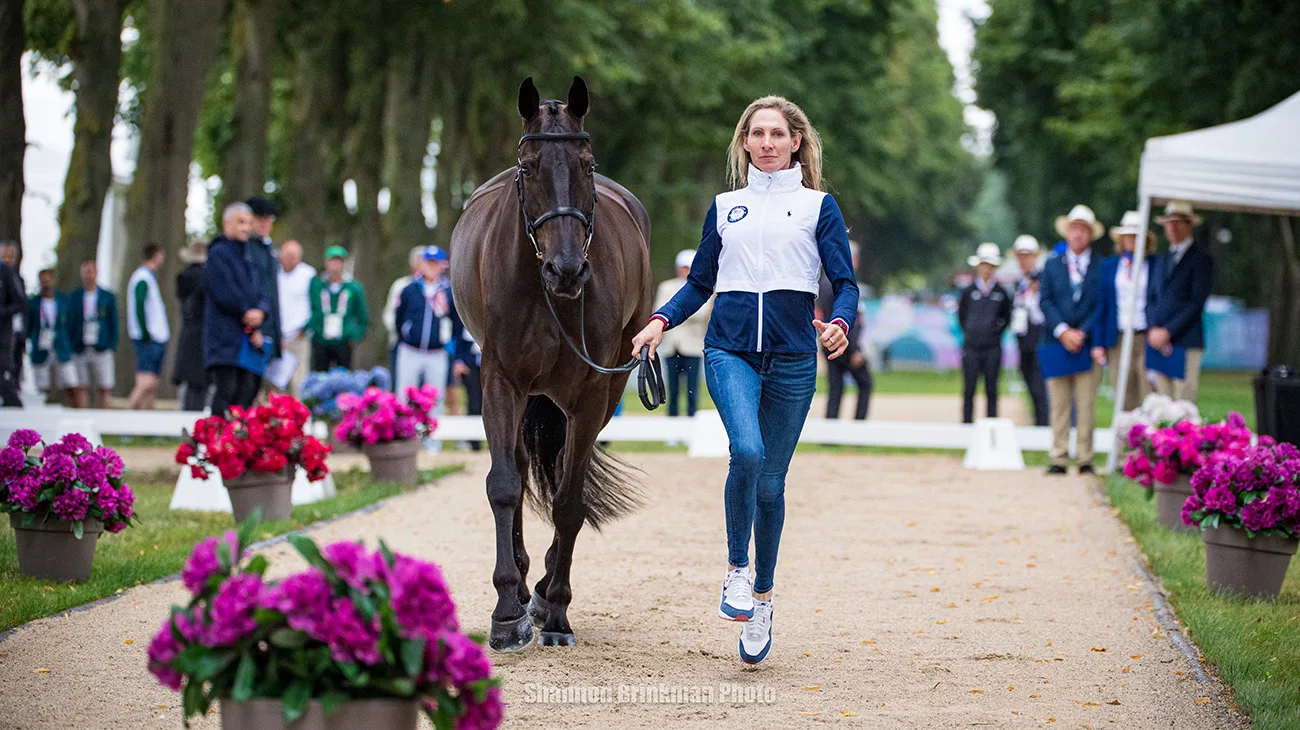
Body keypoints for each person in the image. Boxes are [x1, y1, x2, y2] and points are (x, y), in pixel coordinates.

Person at [631, 96, 858, 665]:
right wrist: (660, 321)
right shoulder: (725, 206)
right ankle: (736, 570)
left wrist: (839, 322)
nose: (766, 142)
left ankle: (762, 599)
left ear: (795, 142)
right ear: (745, 143)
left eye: (776, 133)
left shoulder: (818, 207)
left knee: (772, 487)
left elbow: (845, 283)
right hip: (729, 349)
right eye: (756, 133)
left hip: (793, 358)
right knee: (748, 452)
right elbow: (700, 281)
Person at [1039, 204, 1104, 475]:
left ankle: (1085, 457)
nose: (1078, 234)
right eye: (1074, 229)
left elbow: (1101, 303)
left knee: (1087, 402)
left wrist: (1083, 332)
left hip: (1087, 343)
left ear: (1089, 234)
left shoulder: (1101, 266)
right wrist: (1063, 330)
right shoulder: (1053, 264)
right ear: (1067, 232)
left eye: (1083, 230)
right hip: (1057, 341)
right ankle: (1059, 455)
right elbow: (1045, 300)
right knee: (1059, 402)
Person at [205, 202, 270, 416]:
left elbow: (260, 291)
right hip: (225, 336)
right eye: (240, 222)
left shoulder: (249, 255)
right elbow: (225, 292)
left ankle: (237, 442)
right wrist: (247, 313)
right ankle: (216, 440)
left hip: (247, 338)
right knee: (226, 389)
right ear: (227, 223)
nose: (246, 228)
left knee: (246, 391)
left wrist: (260, 312)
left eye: (249, 223)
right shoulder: (218, 252)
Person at [1092, 210, 1159, 411]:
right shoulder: (1110, 266)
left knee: (1151, 395)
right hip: (1118, 337)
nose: (1131, 239)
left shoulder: (1154, 265)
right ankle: (1125, 442)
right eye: (1128, 235)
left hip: (1145, 336)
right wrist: (1098, 343)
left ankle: (1153, 441)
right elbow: (1101, 305)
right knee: (1123, 396)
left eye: (1136, 235)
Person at [1147, 201, 1212, 403]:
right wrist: (1154, 328)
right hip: (1158, 341)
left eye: (1178, 223)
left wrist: (1168, 331)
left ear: (1189, 225)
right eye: (1169, 223)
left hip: (1186, 341)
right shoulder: (1160, 260)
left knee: (1182, 402)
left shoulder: (1201, 259)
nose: (1172, 227)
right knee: (1161, 403)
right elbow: (1151, 298)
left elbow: (1195, 302)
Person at [394, 246, 461, 415]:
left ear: (442, 265)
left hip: (437, 352)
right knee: (405, 395)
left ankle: (433, 441)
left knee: (435, 399)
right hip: (411, 350)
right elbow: (399, 317)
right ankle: (405, 437)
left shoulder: (449, 291)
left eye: (435, 263)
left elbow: (456, 321)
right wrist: (406, 335)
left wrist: (451, 346)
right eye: (428, 263)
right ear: (421, 265)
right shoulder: (409, 289)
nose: (431, 267)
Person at [653, 249, 713, 418]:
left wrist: (674, 313)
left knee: (692, 389)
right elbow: (659, 310)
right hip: (671, 345)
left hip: (692, 346)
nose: (685, 271)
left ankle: (691, 424)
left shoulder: (704, 288)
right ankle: (672, 425)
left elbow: (703, 313)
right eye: (682, 267)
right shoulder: (666, 286)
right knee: (671, 389)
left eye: (688, 267)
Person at [957, 243, 1012, 423]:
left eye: (990, 265)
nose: (986, 269)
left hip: (992, 347)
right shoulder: (968, 292)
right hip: (971, 346)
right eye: (983, 265)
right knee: (969, 389)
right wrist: (972, 332)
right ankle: (966, 425)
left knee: (992, 389)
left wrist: (994, 333)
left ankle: (991, 428)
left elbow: (1007, 317)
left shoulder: (1001, 293)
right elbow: (962, 316)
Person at [819, 240, 871, 420]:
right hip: (845, 345)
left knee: (835, 389)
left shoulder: (825, 282)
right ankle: (858, 426)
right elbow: (850, 321)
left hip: (829, 344)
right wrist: (855, 350)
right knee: (865, 384)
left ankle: (831, 432)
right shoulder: (845, 286)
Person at [63, 259, 119, 409]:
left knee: (104, 385)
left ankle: (103, 418)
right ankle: (82, 417)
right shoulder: (75, 297)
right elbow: (69, 322)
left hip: (101, 345)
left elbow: (113, 322)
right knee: (81, 385)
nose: (88, 275)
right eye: (85, 272)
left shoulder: (107, 296)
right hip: (80, 346)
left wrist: (112, 344)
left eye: (91, 271)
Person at [307, 246, 369, 371]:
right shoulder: (317, 285)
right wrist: (312, 328)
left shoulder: (353, 288)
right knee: (320, 378)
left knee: (343, 378)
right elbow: (311, 308)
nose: (335, 265)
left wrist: (355, 334)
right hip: (321, 341)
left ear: (343, 263)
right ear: (326, 262)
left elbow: (363, 316)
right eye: (332, 261)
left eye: (338, 261)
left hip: (343, 341)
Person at [1010, 235, 1049, 426]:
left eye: (1027, 256)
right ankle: (1037, 421)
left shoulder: (1043, 279)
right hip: (1023, 338)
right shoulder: (1020, 282)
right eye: (1020, 256)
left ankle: (1043, 423)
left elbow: (1042, 312)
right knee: (1028, 380)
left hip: (1038, 336)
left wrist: (1036, 293)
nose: (1023, 260)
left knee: (1039, 384)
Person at [126, 243, 170, 410]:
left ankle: (148, 425)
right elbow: (139, 305)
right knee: (145, 382)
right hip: (148, 337)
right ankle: (125, 420)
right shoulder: (142, 278)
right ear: (156, 256)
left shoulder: (149, 277)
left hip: (155, 336)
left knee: (152, 384)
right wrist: (145, 332)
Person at [245, 196, 283, 385]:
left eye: (268, 219)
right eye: (259, 218)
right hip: (254, 329)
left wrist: (277, 333)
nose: (264, 224)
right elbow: (251, 291)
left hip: (269, 327)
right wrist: (254, 328)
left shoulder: (268, 250)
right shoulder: (248, 249)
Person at [173, 240, 210, 411]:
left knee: (190, 388)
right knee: (199, 388)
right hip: (202, 337)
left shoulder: (184, 277)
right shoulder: (204, 279)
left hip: (188, 335)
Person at [276, 239, 316, 395]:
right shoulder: (275, 272)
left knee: (299, 382)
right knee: (277, 384)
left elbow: (316, 305)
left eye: (294, 256)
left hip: (298, 336)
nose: (290, 260)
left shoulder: (308, 274)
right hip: (278, 336)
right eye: (287, 255)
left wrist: (306, 328)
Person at [384, 246, 425, 382]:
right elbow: (390, 313)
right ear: (413, 264)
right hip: (403, 344)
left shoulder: (438, 288)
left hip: (428, 347)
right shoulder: (401, 285)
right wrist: (401, 333)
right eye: (420, 262)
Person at [27, 269, 69, 398]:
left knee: (70, 381)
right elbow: (28, 327)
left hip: (60, 347)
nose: (46, 283)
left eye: (48, 280)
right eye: (43, 281)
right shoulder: (33, 303)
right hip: (41, 347)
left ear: (53, 280)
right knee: (42, 387)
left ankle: (76, 410)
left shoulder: (63, 300)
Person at [0, 241, 26, 395]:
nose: (7, 260)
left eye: (10, 256)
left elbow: (21, 304)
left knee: (9, 366)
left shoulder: (14, 278)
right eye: (4, 256)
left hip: (9, 332)